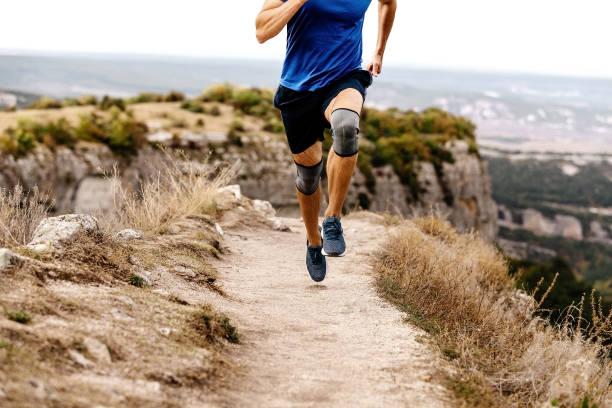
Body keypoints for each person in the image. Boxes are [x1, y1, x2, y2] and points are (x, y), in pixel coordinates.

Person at [255, 0, 397, 282]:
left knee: (346, 129)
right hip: (298, 89)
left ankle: (333, 217)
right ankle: (313, 240)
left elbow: (388, 3)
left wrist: (378, 51)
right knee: (308, 178)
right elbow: (262, 31)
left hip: (344, 77)